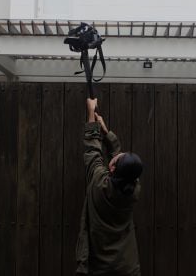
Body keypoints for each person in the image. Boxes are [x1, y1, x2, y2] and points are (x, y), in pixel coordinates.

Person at [76, 98, 143, 276]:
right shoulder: (134, 190)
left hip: (98, 268)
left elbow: (92, 151)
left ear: (112, 167)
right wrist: (106, 134)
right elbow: (115, 157)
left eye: (118, 157)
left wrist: (91, 113)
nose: (118, 154)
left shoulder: (99, 182)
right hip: (127, 268)